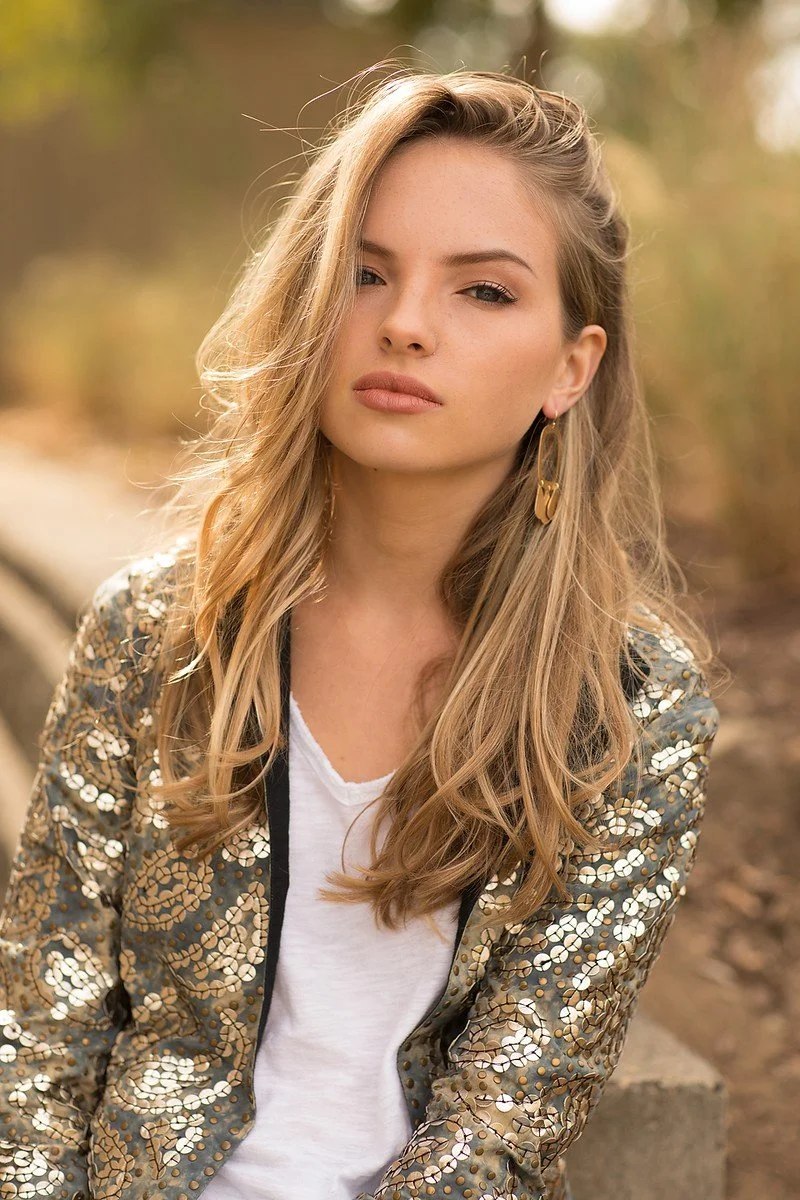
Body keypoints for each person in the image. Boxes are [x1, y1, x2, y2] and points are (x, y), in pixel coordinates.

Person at [0, 66, 719, 1200]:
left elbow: (505, 1121)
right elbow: (40, 1038)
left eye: (481, 292)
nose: (404, 325)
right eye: (364, 272)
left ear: (569, 368)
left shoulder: (627, 704)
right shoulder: (158, 633)